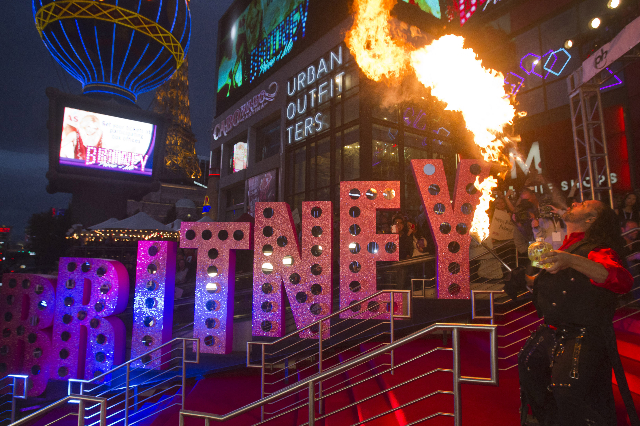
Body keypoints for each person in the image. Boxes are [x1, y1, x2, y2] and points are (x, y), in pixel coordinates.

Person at [517, 200, 638, 426]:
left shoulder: (598, 249)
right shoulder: (567, 246)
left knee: (568, 391)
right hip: (553, 329)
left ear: (591, 219)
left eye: (583, 204)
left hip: (583, 333)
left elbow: (621, 280)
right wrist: (525, 279)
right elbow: (561, 284)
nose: (574, 202)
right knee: (530, 367)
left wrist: (570, 260)